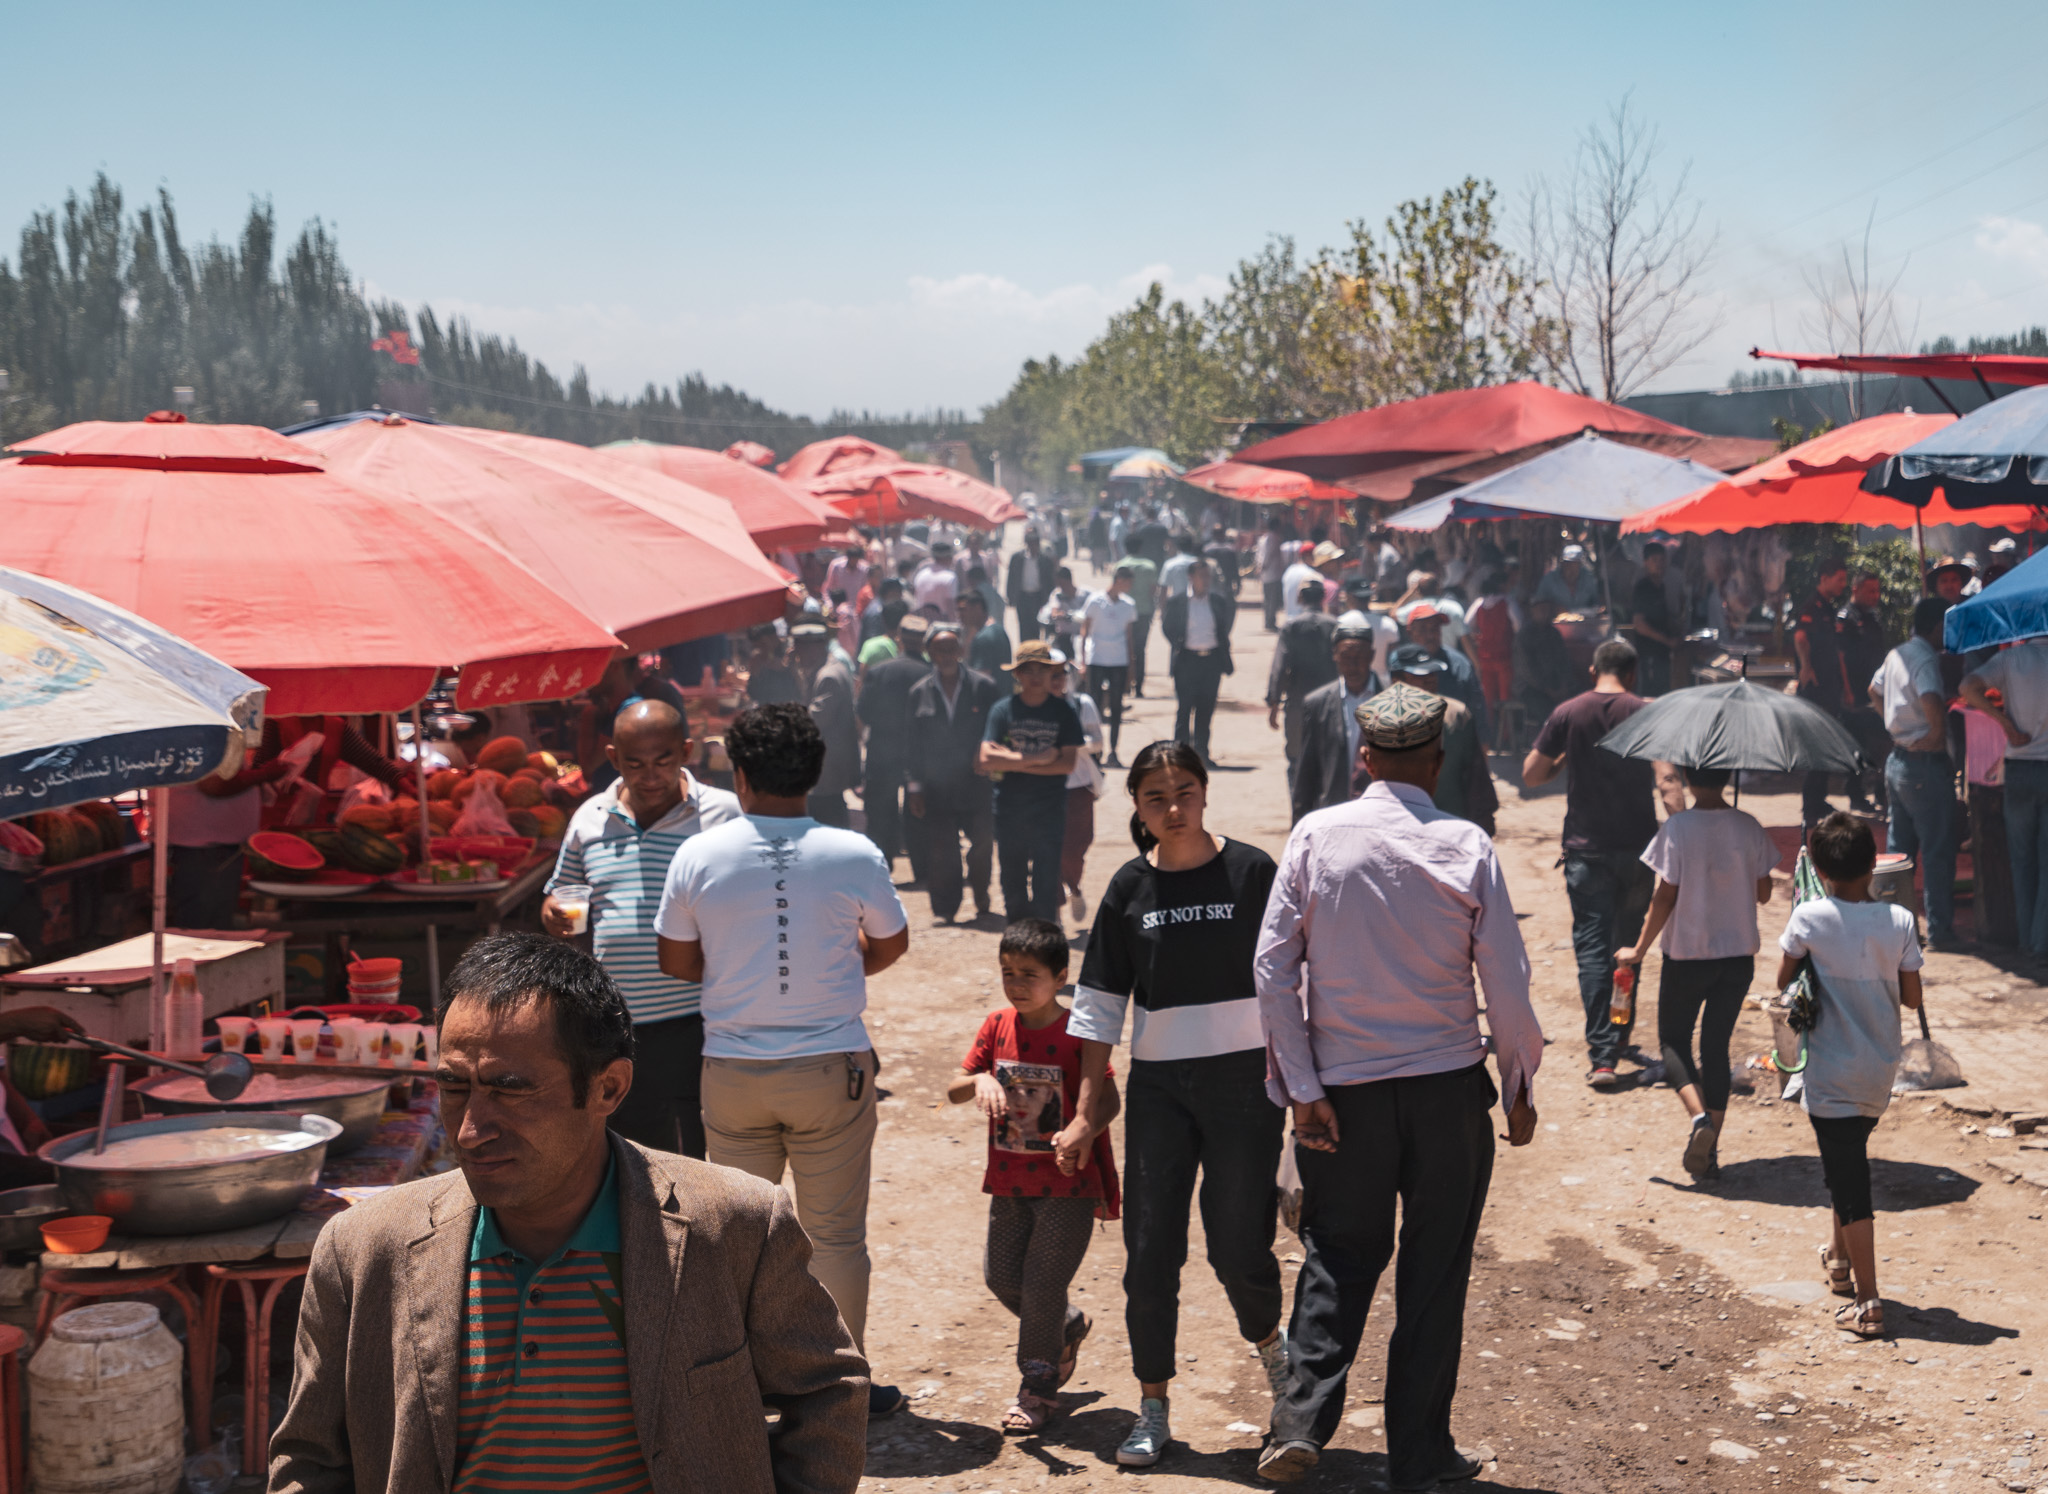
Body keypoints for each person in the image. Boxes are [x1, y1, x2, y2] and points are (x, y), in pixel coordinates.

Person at [270, 933, 868, 1490]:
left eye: (510, 1088)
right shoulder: (363, 1249)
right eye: (455, 1087)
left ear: (608, 1089)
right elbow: (309, 1458)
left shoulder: (733, 1225)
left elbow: (825, 1390)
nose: (472, 1129)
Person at [1253, 683, 1543, 1489]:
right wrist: (1519, 1083)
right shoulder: (1467, 844)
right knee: (1434, 1269)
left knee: (1337, 1254)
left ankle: (1299, 1424)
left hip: (1342, 1096)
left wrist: (1301, 1086)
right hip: (1448, 1092)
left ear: (1364, 758)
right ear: (1439, 763)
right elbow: (1508, 984)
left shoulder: (1316, 835)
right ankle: (1418, 1455)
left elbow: (1272, 969)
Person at [654, 703, 911, 1417]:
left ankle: (742, 1385)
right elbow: (891, 944)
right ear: (816, 773)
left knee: (737, 1237)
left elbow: (675, 961)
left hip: (732, 1072)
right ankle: (838, 1389)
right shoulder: (853, 851)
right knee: (834, 1237)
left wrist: (740, 963)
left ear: (738, 774)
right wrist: (836, 966)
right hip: (832, 1068)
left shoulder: (699, 855)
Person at [1062, 743, 1288, 1468]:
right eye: (1155, 796)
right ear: (1135, 804)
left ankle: (1285, 1380)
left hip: (1245, 1087)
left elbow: (1291, 980)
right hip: (1161, 1093)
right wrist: (1085, 1108)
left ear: (1205, 792)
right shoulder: (1128, 888)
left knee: (1238, 1246)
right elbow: (1097, 1008)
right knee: (1149, 1253)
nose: (1172, 807)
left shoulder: (1253, 871)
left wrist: (1303, 1083)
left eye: (1184, 791)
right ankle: (1152, 1406)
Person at [541, 700, 742, 1159]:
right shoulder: (590, 817)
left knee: (707, 1153)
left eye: (663, 761)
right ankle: (649, 1234)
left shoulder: (724, 815)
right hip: (620, 1024)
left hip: (706, 1019)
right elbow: (561, 892)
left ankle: (707, 1233)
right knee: (636, 1156)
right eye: (635, 764)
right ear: (613, 758)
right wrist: (553, 911)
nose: (650, 775)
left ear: (686, 751)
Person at [950, 918, 1122, 1433]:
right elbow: (954, 1086)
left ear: (1061, 975)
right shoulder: (997, 1025)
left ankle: (1037, 1388)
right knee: (1001, 1278)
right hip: (1009, 1182)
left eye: (1030, 974)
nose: (1017, 984)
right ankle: (1067, 1326)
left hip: (1067, 1184)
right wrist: (977, 1080)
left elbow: (1109, 1097)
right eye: (1008, 972)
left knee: (1043, 1284)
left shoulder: (1076, 1035)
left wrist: (1084, 1129)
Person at [1775, 812, 1923, 1340]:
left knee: (1849, 1178)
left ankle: (1868, 1300)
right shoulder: (1900, 920)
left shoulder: (1809, 918)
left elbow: (1783, 981)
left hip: (1831, 1069)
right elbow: (1911, 997)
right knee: (1845, 1161)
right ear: (1873, 862)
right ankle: (1839, 1262)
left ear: (1817, 865)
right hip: (1880, 1069)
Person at [1523, 638, 1683, 1089]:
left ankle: (1603, 1056)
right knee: (1628, 948)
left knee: (1593, 950)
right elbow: (1668, 781)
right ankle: (1620, 1032)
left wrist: (1562, 760)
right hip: (1637, 851)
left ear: (1594, 672)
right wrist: (1686, 833)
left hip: (1586, 851)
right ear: (1632, 675)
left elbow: (1532, 774)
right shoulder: (1647, 711)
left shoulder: (1568, 712)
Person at [1613, 765, 1780, 1181]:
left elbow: (1665, 896)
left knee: (1673, 1040)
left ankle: (1699, 1120)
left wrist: (1638, 949)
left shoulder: (1679, 828)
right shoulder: (1748, 825)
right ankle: (1711, 1153)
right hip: (1738, 957)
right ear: (1727, 778)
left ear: (1688, 779)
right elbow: (1763, 894)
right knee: (1716, 1047)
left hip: (1688, 956)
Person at [980, 641, 1085, 924]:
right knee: (1012, 881)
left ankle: (1043, 942)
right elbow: (987, 757)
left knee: (1045, 882)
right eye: (1028, 669)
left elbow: (1066, 764)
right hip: (1009, 810)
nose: (1035, 676)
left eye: (1042, 669)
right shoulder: (1003, 710)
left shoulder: (1063, 712)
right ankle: (1016, 939)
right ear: (1017, 674)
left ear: (1052, 673)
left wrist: (1013, 760)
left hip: (1048, 811)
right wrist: (1038, 758)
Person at [1880, 597, 1962, 949]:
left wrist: (1898, 728)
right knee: (1937, 851)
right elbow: (1931, 700)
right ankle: (1940, 931)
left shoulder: (1897, 653)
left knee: (1900, 851)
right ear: (1935, 626)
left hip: (1899, 760)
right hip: (1922, 764)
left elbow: (1874, 689)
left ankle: (1894, 927)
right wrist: (1932, 737)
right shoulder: (1926, 659)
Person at [907, 625, 1003, 926]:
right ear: (929, 654)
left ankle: (981, 894)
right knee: (943, 851)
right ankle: (946, 908)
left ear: (961, 651)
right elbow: (911, 744)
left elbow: (998, 728)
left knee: (982, 844)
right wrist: (914, 788)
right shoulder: (919, 692)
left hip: (977, 784)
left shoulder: (983, 687)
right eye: (939, 650)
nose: (946, 656)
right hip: (937, 788)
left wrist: (989, 756)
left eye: (951, 649)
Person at [1961, 627, 2048, 957]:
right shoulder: (2012, 657)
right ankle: (2040, 945)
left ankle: (2028, 940)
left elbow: (1967, 687)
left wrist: (2005, 724)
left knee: (2022, 860)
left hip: (2020, 768)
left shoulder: (2011, 658)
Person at [1384, 644, 1496, 835]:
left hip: (1450, 826)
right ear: (1397, 682)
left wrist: (1483, 820)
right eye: (1420, 676)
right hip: (1400, 829)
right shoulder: (1381, 723)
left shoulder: (1456, 714)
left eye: (1432, 673)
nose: (1430, 680)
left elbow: (1476, 774)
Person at [857, 613, 932, 884]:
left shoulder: (880, 672)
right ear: (923, 642)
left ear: (899, 638)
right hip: (919, 754)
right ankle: (921, 868)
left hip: (883, 751)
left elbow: (862, 713)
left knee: (880, 811)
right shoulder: (930, 673)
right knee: (918, 811)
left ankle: (882, 865)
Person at [1290, 625, 1381, 824]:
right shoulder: (1317, 704)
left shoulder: (1389, 699)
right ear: (1335, 656)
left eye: (1360, 656)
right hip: (1334, 813)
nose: (1353, 664)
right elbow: (1307, 769)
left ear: (1372, 656)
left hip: (1379, 815)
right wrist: (1299, 823)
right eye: (1346, 656)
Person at [1794, 558, 1854, 831]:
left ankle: (1819, 800)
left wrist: (1845, 687)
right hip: (1815, 689)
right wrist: (1806, 667)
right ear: (1825, 577)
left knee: (1827, 743)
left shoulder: (1829, 609)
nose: (1843, 585)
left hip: (1830, 688)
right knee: (1816, 746)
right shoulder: (1811, 606)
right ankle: (1810, 807)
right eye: (1839, 579)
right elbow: (1800, 638)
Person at [1268, 579, 1340, 794]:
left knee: (1297, 762)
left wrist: (1273, 703)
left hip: (1299, 705)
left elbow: (1279, 667)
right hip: (1331, 704)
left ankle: (1299, 814)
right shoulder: (1334, 625)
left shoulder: (1291, 627)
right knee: (1328, 761)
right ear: (1323, 597)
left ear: (1300, 598)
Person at [1160, 559, 1235, 763]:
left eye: (1208, 576)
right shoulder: (1178, 602)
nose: (1206, 580)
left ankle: (1202, 753)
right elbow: (1167, 627)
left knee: (1206, 709)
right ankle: (1181, 754)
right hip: (1186, 661)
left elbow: (1224, 625)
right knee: (1184, 709)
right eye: (1202, 576)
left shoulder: (1217, 601)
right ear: (1191, 578)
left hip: (1211, 662)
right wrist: (1179, 643)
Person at [1050, 661, 1106, 926]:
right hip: (1045, 788)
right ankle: (1055, 908)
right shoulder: (1030, 708)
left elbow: (1098, 741)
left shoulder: (1083, 704)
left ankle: (1074, 887)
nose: (1055, 680)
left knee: (1076, 848)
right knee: (1048, 849)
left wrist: (1074, 744)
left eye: (1060, 674)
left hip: (1079, 786)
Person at [793, 620, 861, 827]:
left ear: (814, 648)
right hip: (830, 764)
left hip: (828, 765)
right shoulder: (827, 668)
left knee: (828, 817)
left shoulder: (828, 677)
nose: (796, 655)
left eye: (800, 649)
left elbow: (813, 722)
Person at [1838, 574, 1890, 813]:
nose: (1875, 596)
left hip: (1876, 693)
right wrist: (1847, 691)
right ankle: (1856, 795)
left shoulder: (1873, 618)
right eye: (1870, 591)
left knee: (1882, 744)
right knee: (1857, 747)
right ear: (1855, 589)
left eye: (1877, 591)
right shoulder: (1846, 618)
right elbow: (1840, 659)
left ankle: (1882, 792)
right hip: (1856, 694)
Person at [1081, 566, 1139, 766]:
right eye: (1128, 582)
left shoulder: (1128, 605)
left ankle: (1113, 751)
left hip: (1118, 661)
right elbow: (1085, 630)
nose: (1130, 587)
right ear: (1120, 580)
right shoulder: (1095, 601)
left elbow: (1129, 635)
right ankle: (1095, 751)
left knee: (1116, 708)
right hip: (1097, 659)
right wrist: (1083, 659)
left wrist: (1131, 664)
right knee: (1094, 707)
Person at [1402, 605, 1485, 737]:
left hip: (1453, 745)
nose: (1430, 635)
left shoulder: (1460, 665)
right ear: (1410, 632)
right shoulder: (1399, 667)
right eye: (1423, 629)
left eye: (1434, 629)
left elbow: (1478, 713)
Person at [1513, 596, 1576, 726]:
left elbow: (1565, 662)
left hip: (1555, 684)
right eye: (1541, 609)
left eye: (1547, 609)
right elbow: (1527, 671)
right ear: (1533, 611)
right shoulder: (1524, 636)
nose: (1545, 613)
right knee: (1548, 713)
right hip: (1530, 687)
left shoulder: (1554, 634)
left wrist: (1563, 685)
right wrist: (1548, 690)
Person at [1628, 542, 1679, 697]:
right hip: (1648, 654)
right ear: (1646, 562)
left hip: (1662, 655)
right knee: (1650, 696)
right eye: (1655, 560)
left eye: (1662, 560)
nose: (1660, 564)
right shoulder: (1643, 588)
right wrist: (1666, 640)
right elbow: (1639, 625)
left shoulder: (1661, 586)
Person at [1468, 570, 1517, 720]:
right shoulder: (1508, 602)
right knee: (1505, 697)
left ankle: (1489, 732)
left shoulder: (1479, 603)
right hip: (1504, 657)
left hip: (1484, 657)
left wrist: (1477, 636)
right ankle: (1506, 734)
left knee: (1487, 698)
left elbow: (1467, 623)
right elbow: (1519, 625)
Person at [1119, 535, 1161, 697]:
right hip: (1143, 612)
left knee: (1124, 649)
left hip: (1123, 615)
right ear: (1140, 548)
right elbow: (1153, 591)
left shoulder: (1120, 566)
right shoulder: (1149, 566)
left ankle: (1125, 686)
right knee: (1140, 650)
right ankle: (1139, 688)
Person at [1008, 528, 1053, 642]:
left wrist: (1049, 600)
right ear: (1027, 544)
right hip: (1022, 597)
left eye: (1035, 544)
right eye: (1030, 543)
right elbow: (1011, 578)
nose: (1033, 547)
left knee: (1036, 627)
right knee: (1023, 626)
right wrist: (1010, 597)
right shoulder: (1017, 558)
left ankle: (1035, 652)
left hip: (1038, 597)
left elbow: (1050, 581)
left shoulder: (1045, 560)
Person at [959, 589, 1012, 676]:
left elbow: (981, 676)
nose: (959, 615)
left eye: (963, 609)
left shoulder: (983, 638)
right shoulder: (997, 629)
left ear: (977, 608)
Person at [1535, 543, 1600, 610]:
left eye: (1575, 564)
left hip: (1586, 619)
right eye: (1568, 564)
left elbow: (1596, 603)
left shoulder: (1588, 578)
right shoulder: (1549, 580)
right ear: (1562, 564)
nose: (1571, 569)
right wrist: (1554, 609)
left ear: (1580, 565)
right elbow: (1538, 605)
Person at [1258, 515, 1294, 630]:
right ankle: (1270, 621)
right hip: (1272, 572)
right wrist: (1265, 565)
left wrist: (1260, 567)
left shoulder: (1263, 538)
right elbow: (1269, 554)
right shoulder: (1274, 539)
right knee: (1272, 599)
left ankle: (1268, 620)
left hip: (1266, 573)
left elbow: (1259, 554)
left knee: (1267, 598)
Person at [915, 539, 961, 621]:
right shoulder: (950, 578)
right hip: (942, 625)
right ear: (948, 558)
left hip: (923, 623)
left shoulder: (921, 575)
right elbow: (951, 608)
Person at [1204, 524, 1242, 598]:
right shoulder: (1230, 550)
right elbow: (1235, 568)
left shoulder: (1207, 550)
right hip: (1227, 583)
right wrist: (1238, 583)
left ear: (1213, 535)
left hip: (1212, 585)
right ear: (1224, 534)